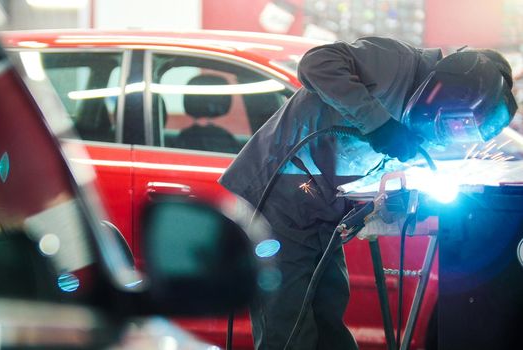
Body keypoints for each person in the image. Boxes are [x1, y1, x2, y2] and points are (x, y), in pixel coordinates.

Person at [219, 37, 517, 350]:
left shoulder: (424, 113)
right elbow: (315, 63)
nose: (450, 135)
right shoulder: (396, 62)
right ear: (453, 91)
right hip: (277, 196)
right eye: (455, 125)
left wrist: (379, 206)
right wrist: (378, 124)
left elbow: (370, 165)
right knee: (288, 328)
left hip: (323, 209)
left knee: (330, 317)